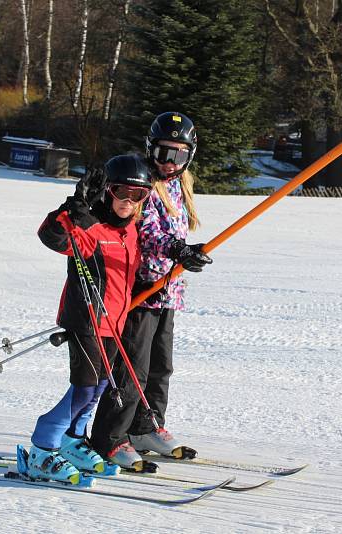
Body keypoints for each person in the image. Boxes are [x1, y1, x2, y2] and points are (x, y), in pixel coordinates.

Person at [89, 112, 212, 471]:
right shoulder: (141, 181)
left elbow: (173, 234)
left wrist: (186, 254)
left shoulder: (179, 184)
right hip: (141, 288)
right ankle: (110, 437)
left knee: (161, 367)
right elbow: (147, 233)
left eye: (177, 155)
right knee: (132, 370)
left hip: (168, 289)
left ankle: (145, 427)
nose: (168, 163)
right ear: (149, 148)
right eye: (162, 153)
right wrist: (177, 250)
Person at [25, 154, 153, 484]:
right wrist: (73, 208)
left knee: (97, 389)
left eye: (139, 195)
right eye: (123, 192)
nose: (129, 202)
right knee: (83, 388)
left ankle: (72, 441)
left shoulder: (132, 232)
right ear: (107, 192)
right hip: (86, 320)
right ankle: (43, 445)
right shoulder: (91, 229)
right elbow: (51, 235)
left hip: (115, 322)